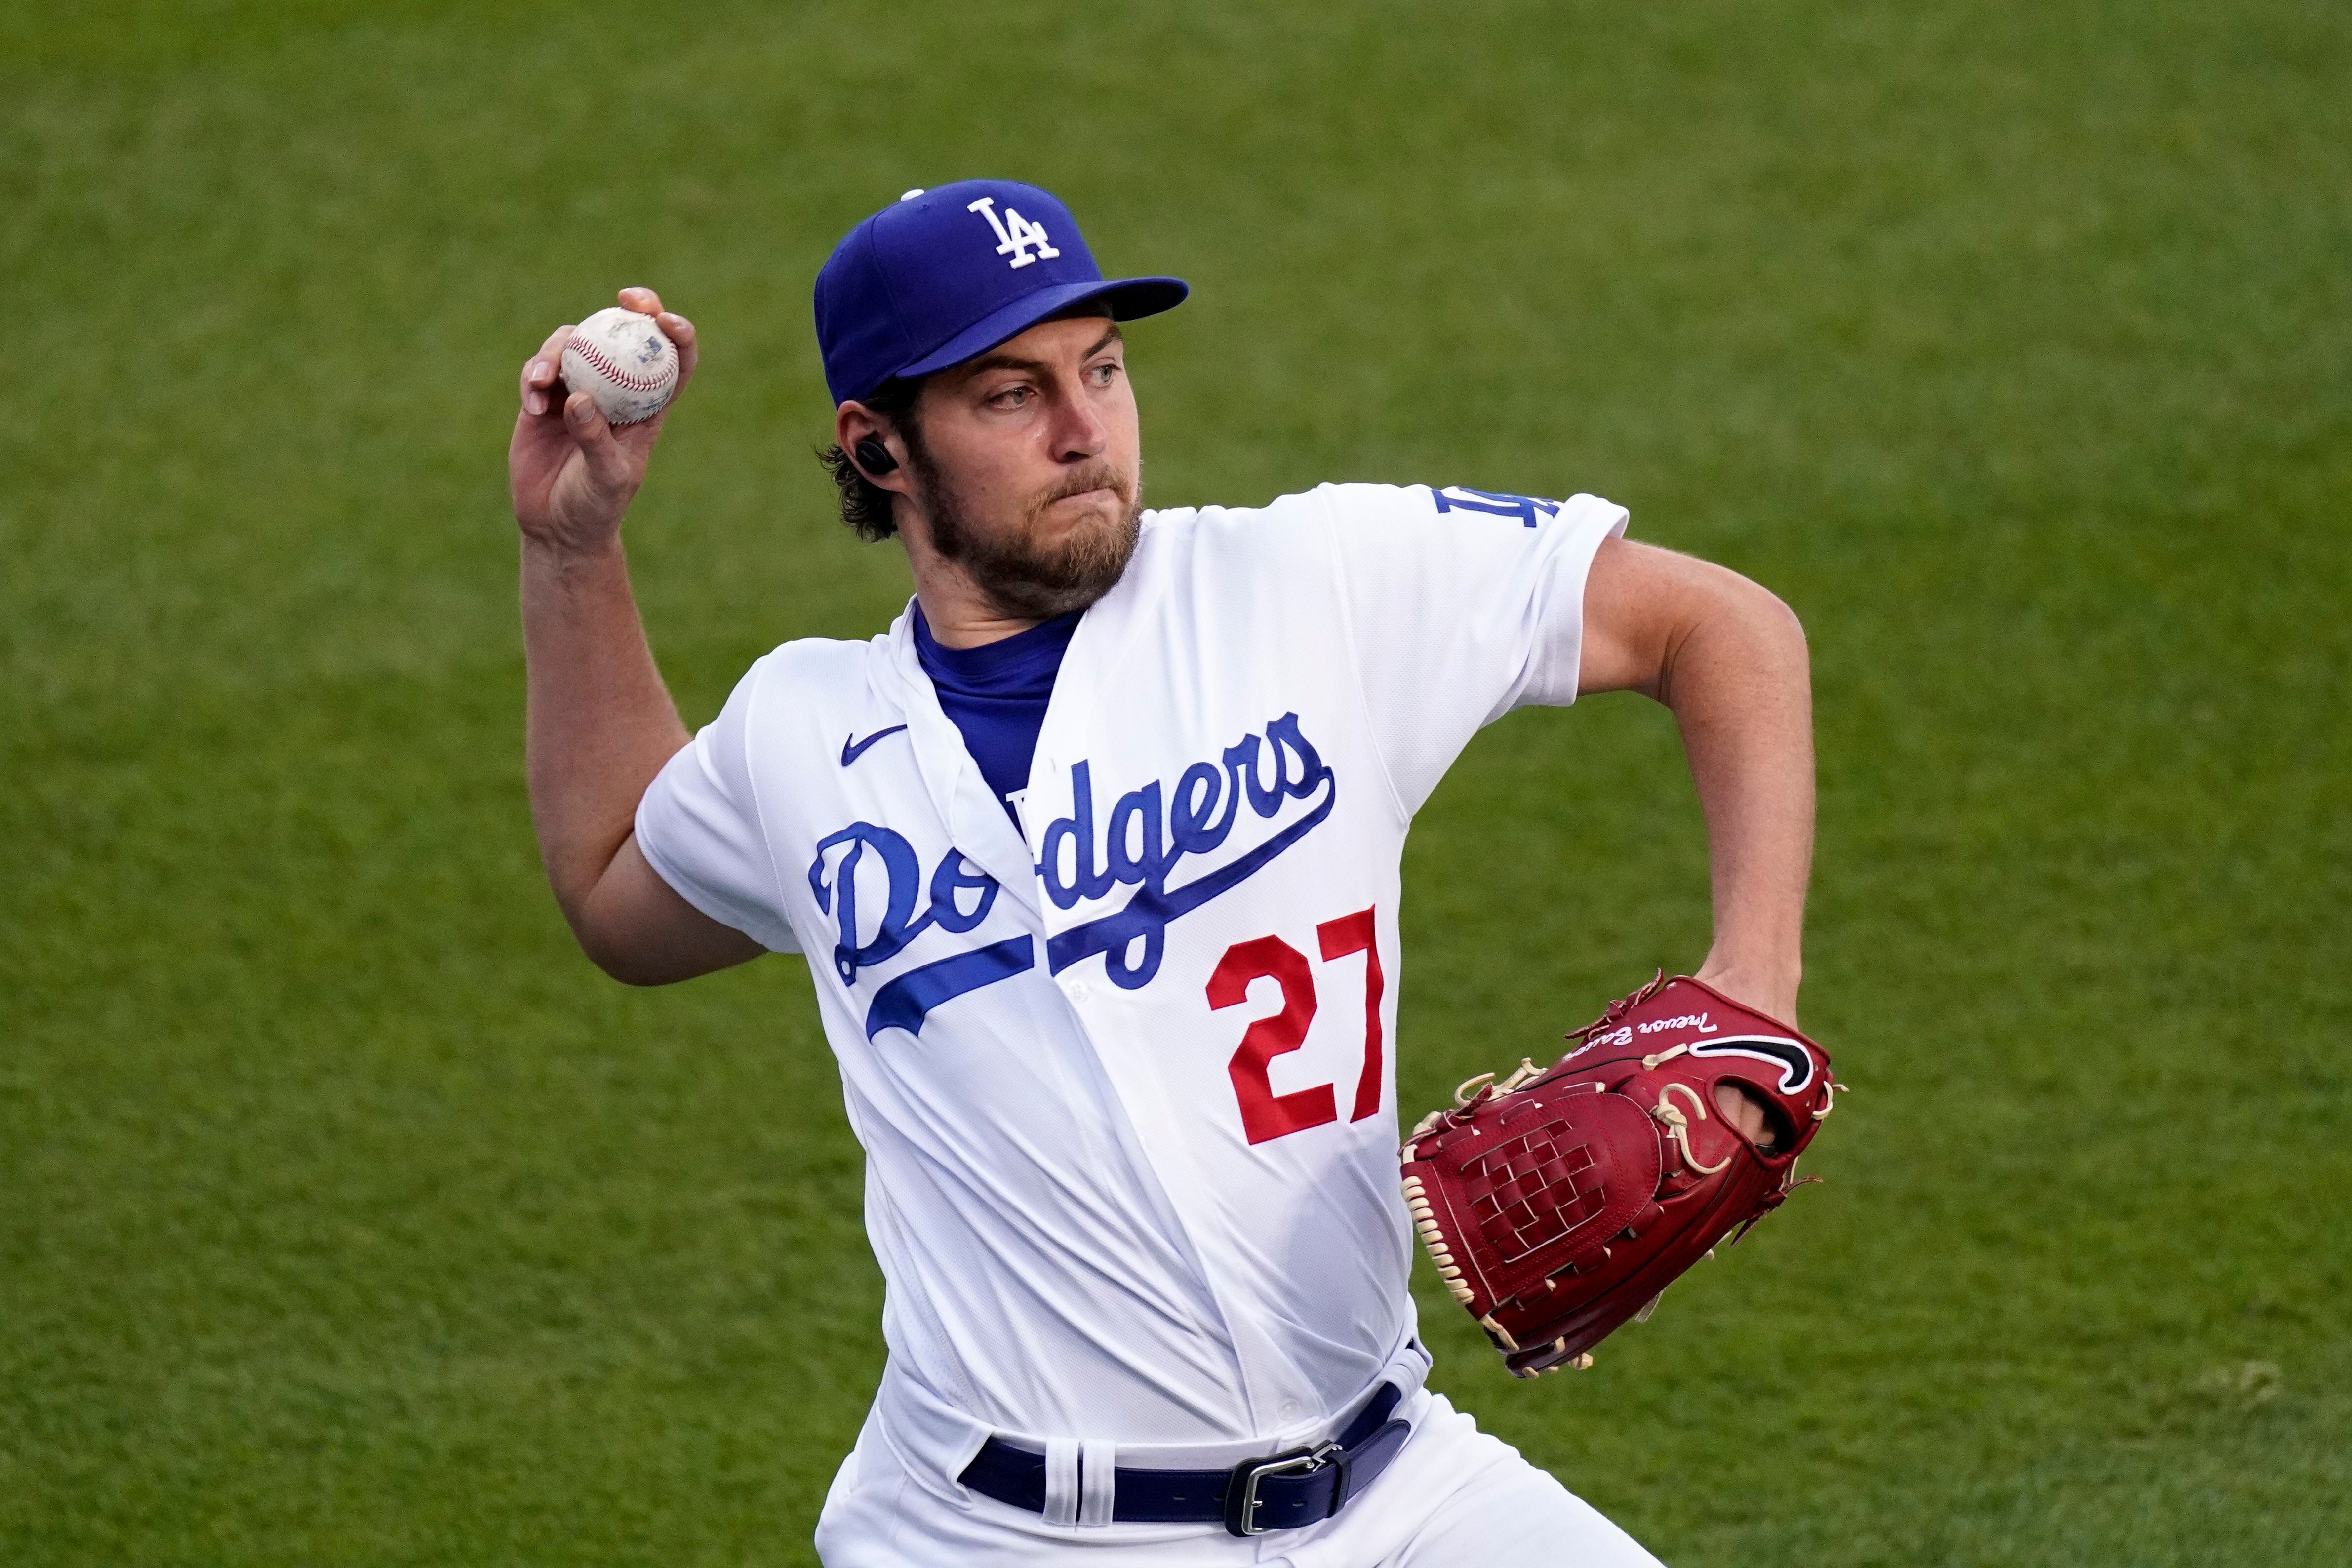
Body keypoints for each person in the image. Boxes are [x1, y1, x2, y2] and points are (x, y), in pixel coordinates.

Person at [507, 180, 1813, 1566]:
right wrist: (570, 544)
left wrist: (1752, 982)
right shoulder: (801, 735)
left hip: (1403, 1492)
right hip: (998, 1537)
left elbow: (1715, 626)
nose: (1086, 432)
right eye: (1011, 394)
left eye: (1103, 370)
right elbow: (615, 892)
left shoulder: (1311, 585)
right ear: (879, 446)